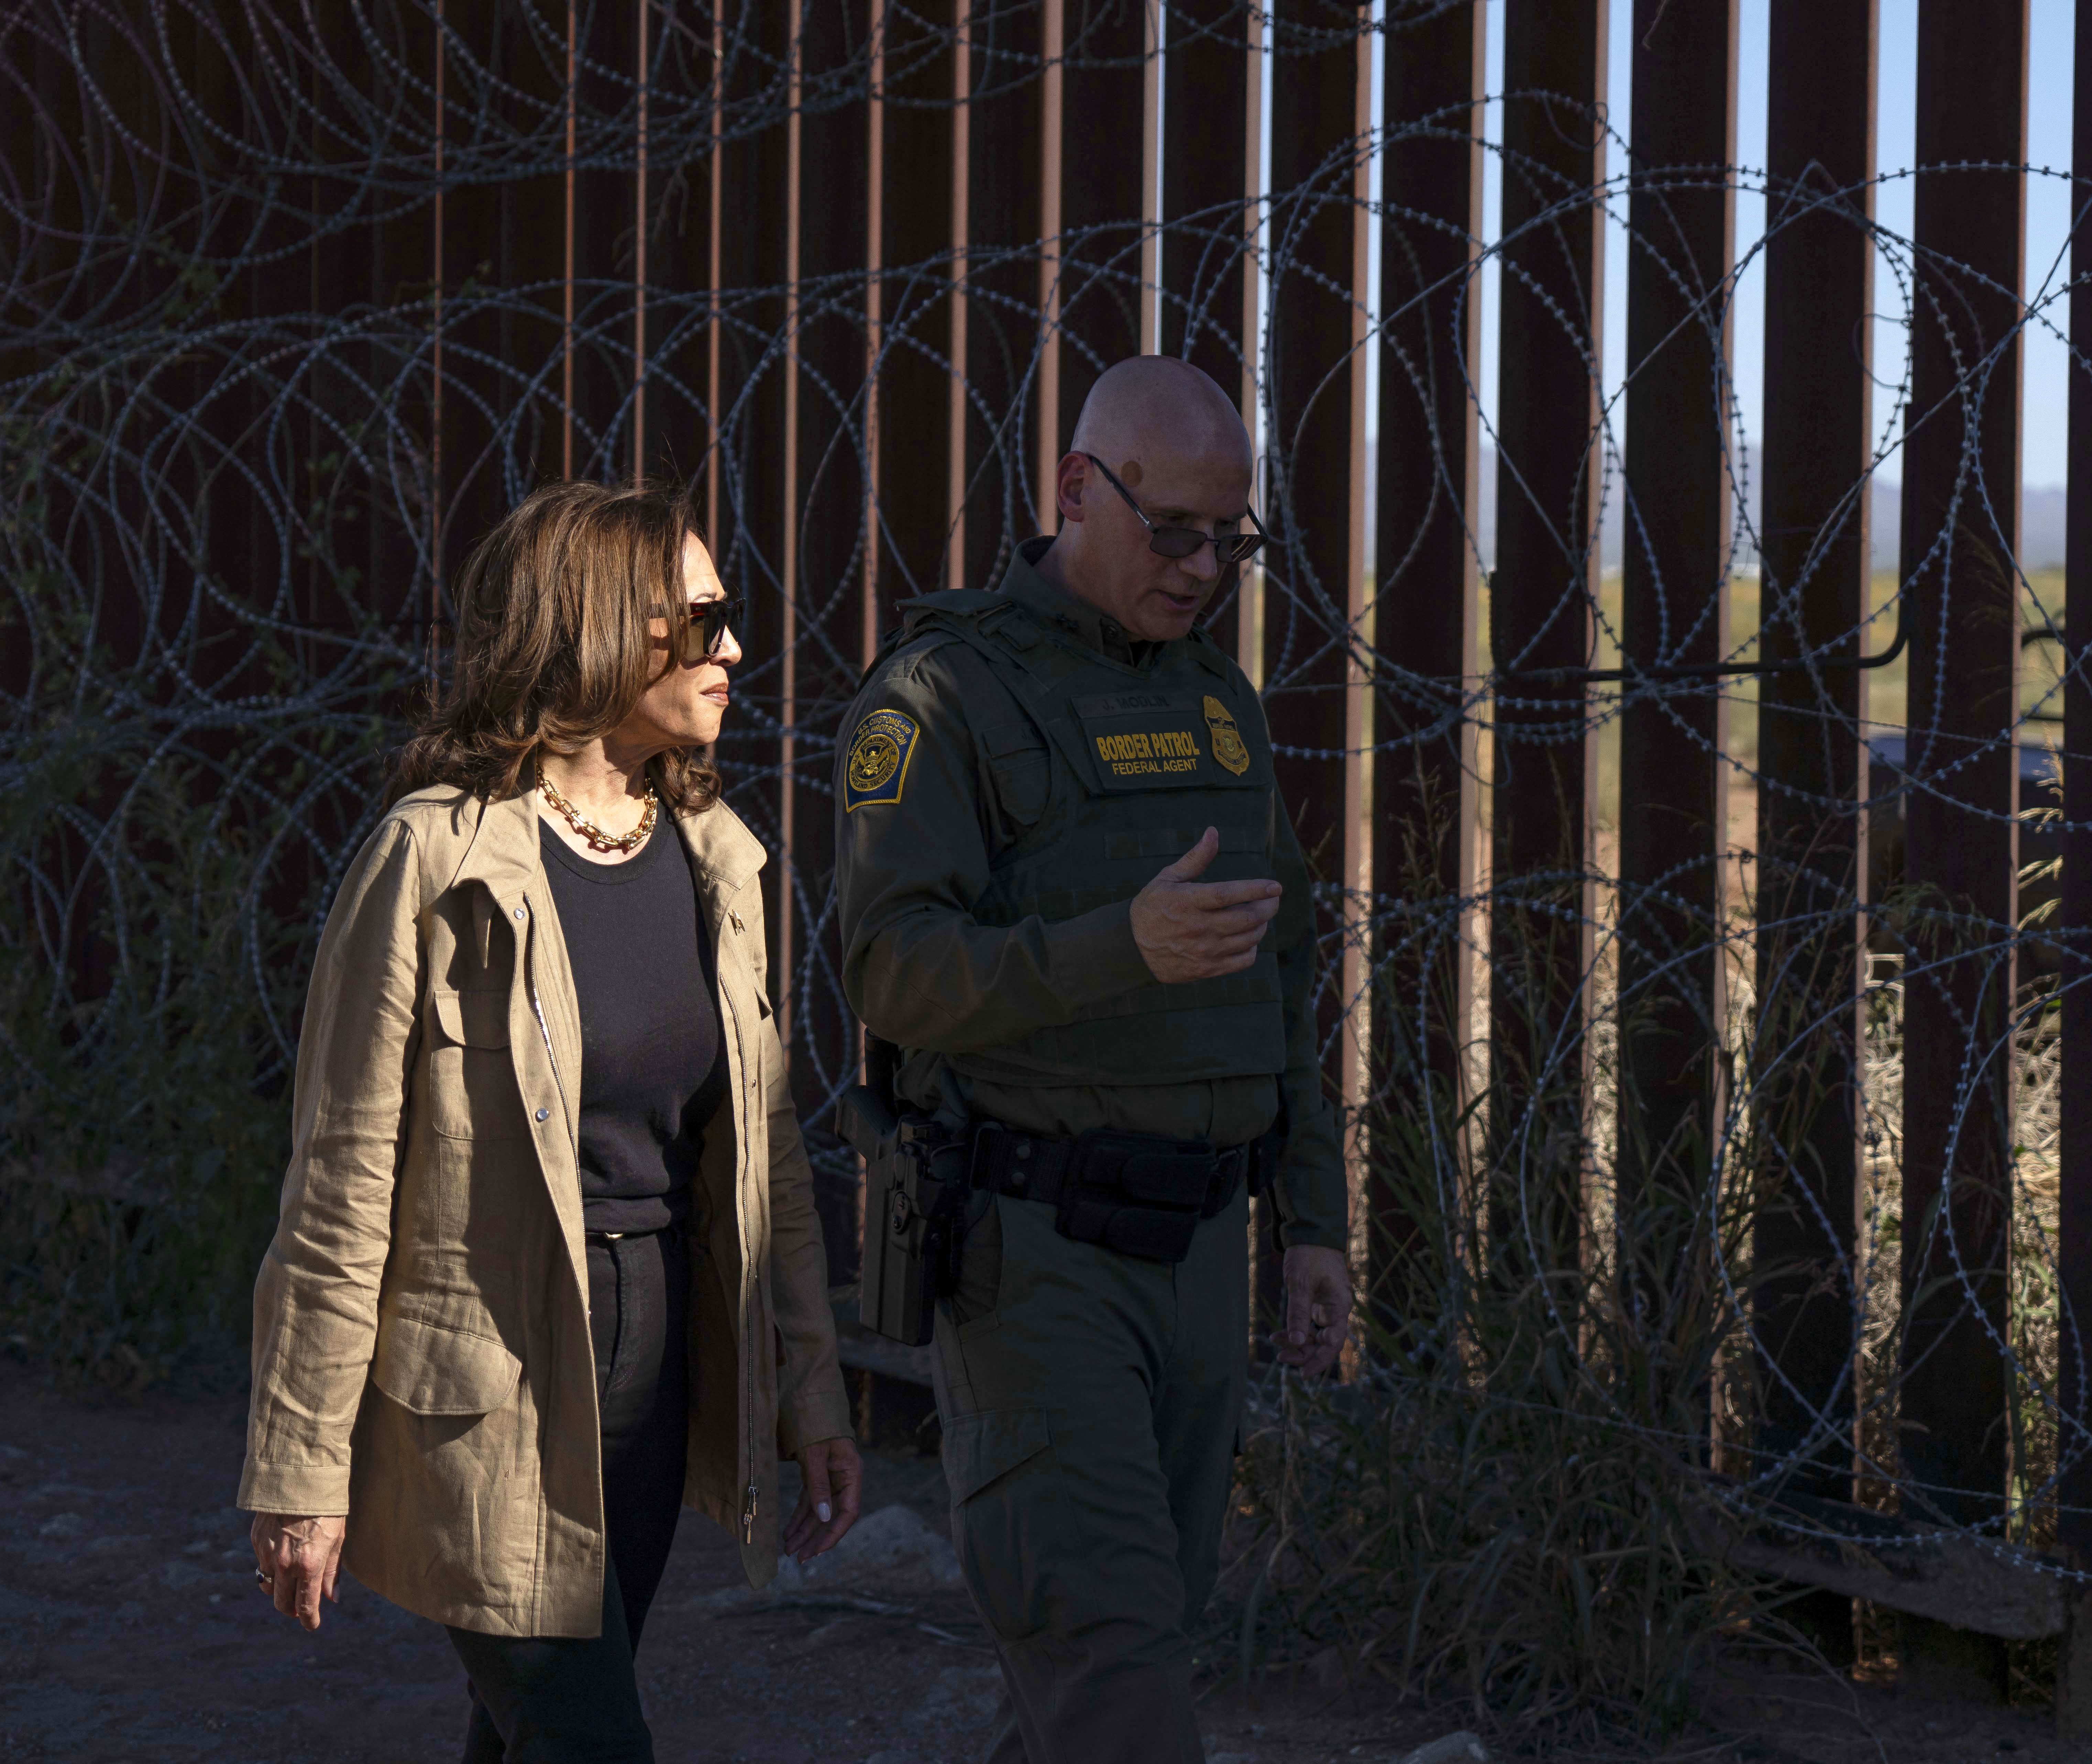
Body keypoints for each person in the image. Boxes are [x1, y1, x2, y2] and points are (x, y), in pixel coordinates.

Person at [238, 480, 862, 1762]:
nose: (735, 648)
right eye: (703, 619)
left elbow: (767, 1160)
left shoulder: (716, 857)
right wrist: (302, 1463)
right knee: (590, 1738)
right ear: (600, 629)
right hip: (495, 1379)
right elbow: (342, 1181)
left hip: (656, 1360)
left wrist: (815, 1394)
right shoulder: (436, 865)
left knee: (529, 1730)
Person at [834, 356, 1353, 1763]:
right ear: (1077, 489)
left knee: (1104, 1669)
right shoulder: (940, 696)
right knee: (1115, 1675)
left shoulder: (1215, 703)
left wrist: (1313, 1221)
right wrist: (1117, 944)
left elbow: (1285, 976)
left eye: (1231, 540)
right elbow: (888, 969)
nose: (1203, 569)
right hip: (1034, 1255)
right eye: (1173, 528)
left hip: (1196, 1261)